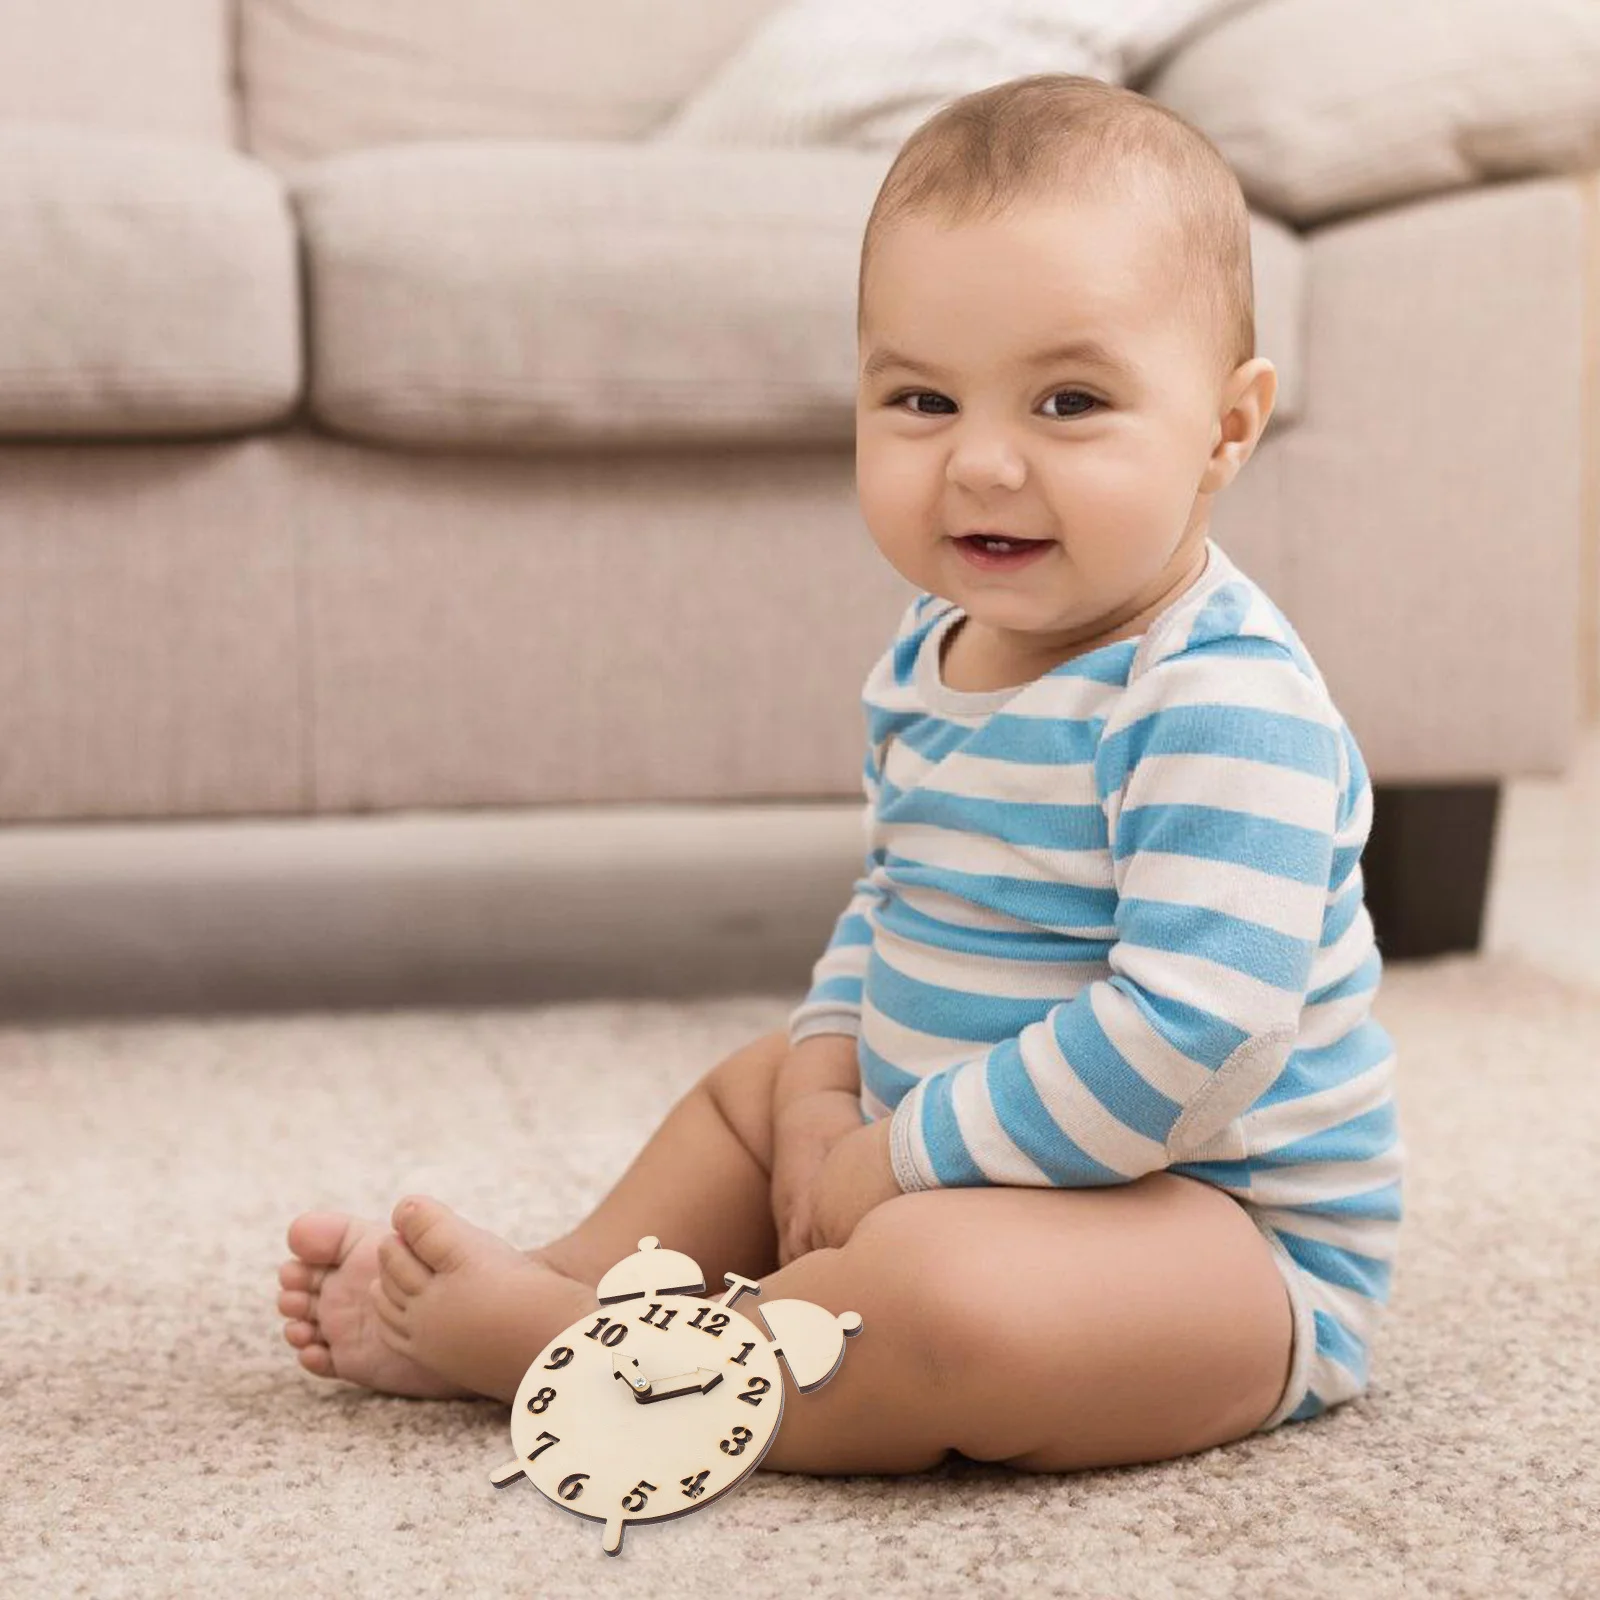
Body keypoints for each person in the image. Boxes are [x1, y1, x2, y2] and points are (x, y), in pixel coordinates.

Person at [275, 72, 1403, 1475]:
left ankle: (594, 1364)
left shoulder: (1224, 699)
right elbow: (898, 900)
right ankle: (574, 1282)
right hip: (929, 1150)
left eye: (1069, 400)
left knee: (943, 1301)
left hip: (1209, 1233)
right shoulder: (937, 652)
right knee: (750, 1094)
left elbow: (1199, 1038)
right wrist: (822, 1090)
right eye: (922, 398)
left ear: (1227, 428)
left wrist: (898, 1155)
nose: (982, 463)